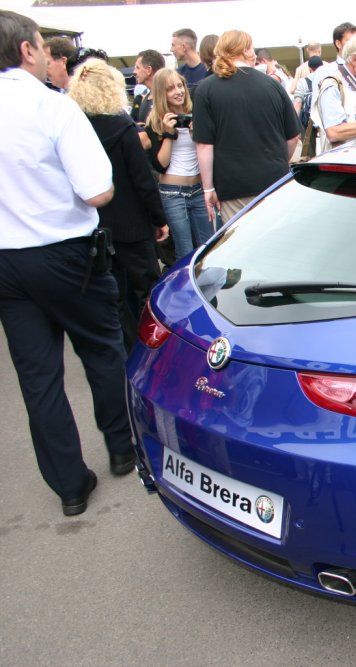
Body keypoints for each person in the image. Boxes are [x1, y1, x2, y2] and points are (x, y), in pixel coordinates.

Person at [0, 10, 137, 515]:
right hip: (64, 253)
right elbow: (98, 190)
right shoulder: (51, 107)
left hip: (5, 261)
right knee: (101, 350)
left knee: (37, 377)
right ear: (26, 51)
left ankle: (69, 486)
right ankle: (122, 447)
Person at [68, 59, 168, 350]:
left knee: (111, 292)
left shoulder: (75, 127)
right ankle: (152, 345)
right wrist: (159, 219)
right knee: (147, 287)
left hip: (93, 223)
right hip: (132, 223)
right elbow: (142, 180)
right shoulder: (122, 127)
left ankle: (124, 344)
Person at [193, 30, 300, 224]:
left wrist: (208, 188)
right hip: (275, 180)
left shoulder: (206, 89)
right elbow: (293, 136)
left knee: (241, 247)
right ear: (246, 51)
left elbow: (204, 145)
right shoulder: (272, 84)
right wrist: (277, 159)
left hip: (233, 186)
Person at [145, 68, 214, 258]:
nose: (178, 91)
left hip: (199, 189)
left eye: (180, 85)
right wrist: (168, 134)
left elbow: (208, 151)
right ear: (161, 93)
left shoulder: (197, 113)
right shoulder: (156, 122)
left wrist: (196, 133)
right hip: (172, 192)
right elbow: (160, 165)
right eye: (170, 89)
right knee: (184, 249)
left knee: (208, 246)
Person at [131, 49, 165, 124]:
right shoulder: (142, 99)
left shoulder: (168, 97)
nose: (134, 72)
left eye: (137, 68)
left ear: (148, 70)